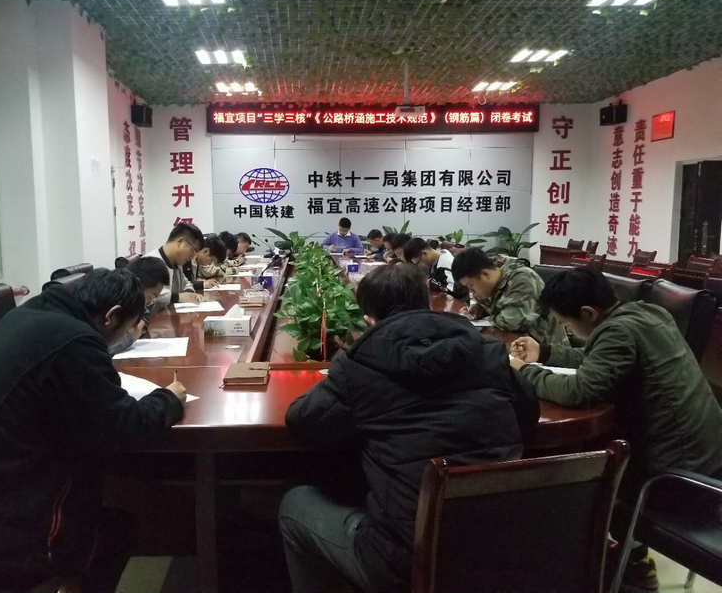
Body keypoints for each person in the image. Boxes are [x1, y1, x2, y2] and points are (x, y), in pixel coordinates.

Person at [279, 262, 539, 593]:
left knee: (295, 504)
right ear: (427, 301)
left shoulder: (360, 361)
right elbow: (527, 413)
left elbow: (303, 421)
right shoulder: (484, 349)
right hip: (505, 544)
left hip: (408, 560)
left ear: (368, 318)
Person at [0, 268, 186, 592]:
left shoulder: (29, 316)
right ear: (111, 316)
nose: (128, 335)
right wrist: (168, 398)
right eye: (129, 327)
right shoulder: (74, 343)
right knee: (117, 528)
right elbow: (124, 427)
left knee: (115, 517)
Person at [509, 267, 722, 592]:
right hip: (709, 459)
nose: (567, 329)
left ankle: (627, 571)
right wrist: (546, 352)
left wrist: (526, 372)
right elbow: (597, 359)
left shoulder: (619, 332)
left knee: (580, 485)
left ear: (588, 313)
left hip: (678, 479)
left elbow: (581, 390)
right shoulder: (648, 313)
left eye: (567, 323)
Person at [452, 247, 568, 345]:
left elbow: (512, 322)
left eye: (471, 286)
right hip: (516, 345)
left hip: (546, 351)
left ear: (485, 274)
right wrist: (477, 310)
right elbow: (490, 306)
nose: (471, 292)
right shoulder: (491, 280)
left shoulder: (523, 279)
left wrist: (489, 317)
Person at [108, 256, 171, 356]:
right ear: (139, 285)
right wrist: (131, 337)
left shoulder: (137, 303)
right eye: (151, 296)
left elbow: (145, 316)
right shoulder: (113, 301)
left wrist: (139, 326)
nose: (150, 302)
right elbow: (101, 348)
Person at [144, 222, 204, 307]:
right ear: (180, 241)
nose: (193, 256)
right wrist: (178, 297)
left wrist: (189, 293)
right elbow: (149, 297)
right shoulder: (150, 262)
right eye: (193, 250)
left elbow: (186, 283)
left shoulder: (177, 262)